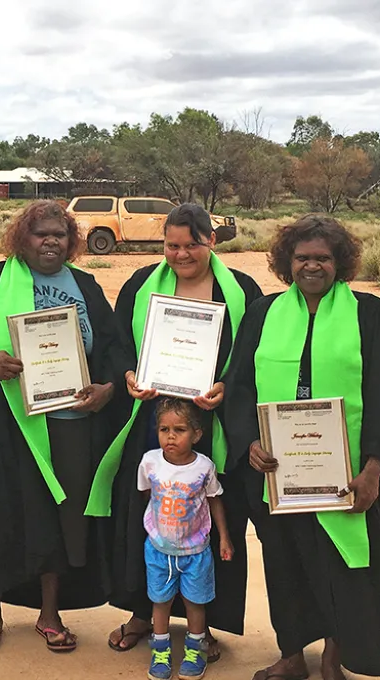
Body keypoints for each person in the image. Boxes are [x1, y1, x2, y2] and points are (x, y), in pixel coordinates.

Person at [222, 215, 380, 680]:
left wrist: (375, 467)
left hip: (345, 470)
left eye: (323, 258)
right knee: (284, 560)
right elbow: (240, 387)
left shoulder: (370, 314)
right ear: (285, 262)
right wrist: (249, 441)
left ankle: (336, 652)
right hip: (278, 472)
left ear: (341, 263)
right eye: (302, 258)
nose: (311, 266)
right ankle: (292, 654)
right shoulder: (264, 313)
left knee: (338, 564)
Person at [0, 199, 125, 657]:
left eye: (60, 234)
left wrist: (107, 387)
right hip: (10, 423)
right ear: (21, 238)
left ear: (72, 243)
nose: (50, 241)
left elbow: (110, 347)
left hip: (71, 423)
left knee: (60, 516)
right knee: (1, 516)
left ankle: (50, 613)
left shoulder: (85, 286)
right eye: (40, 233)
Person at [99, 203, 264, 661]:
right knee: (144, 516)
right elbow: (117, 344)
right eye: (172, 245)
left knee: (207, 520)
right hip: (152, 424)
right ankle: (139, 611)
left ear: (212, 241)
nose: (181, 253)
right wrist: (129, 374)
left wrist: (228, 388)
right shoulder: (140, 285)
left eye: (192, 244)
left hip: (211, 427)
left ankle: (202, 622)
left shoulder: (242, 291)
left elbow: (254, 353)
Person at [139, 398, 234, 680]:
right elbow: (147, 495)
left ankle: (195, 649)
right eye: (164, 429)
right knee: (160, 601)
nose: (170, 436)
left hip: (196, 551)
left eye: (179, 429)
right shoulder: (150, 462)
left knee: (195, 603)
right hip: (158, 550)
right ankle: (160, 651)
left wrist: (224, 538)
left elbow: (215, 500)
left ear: (197, 434)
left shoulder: (204, 468)